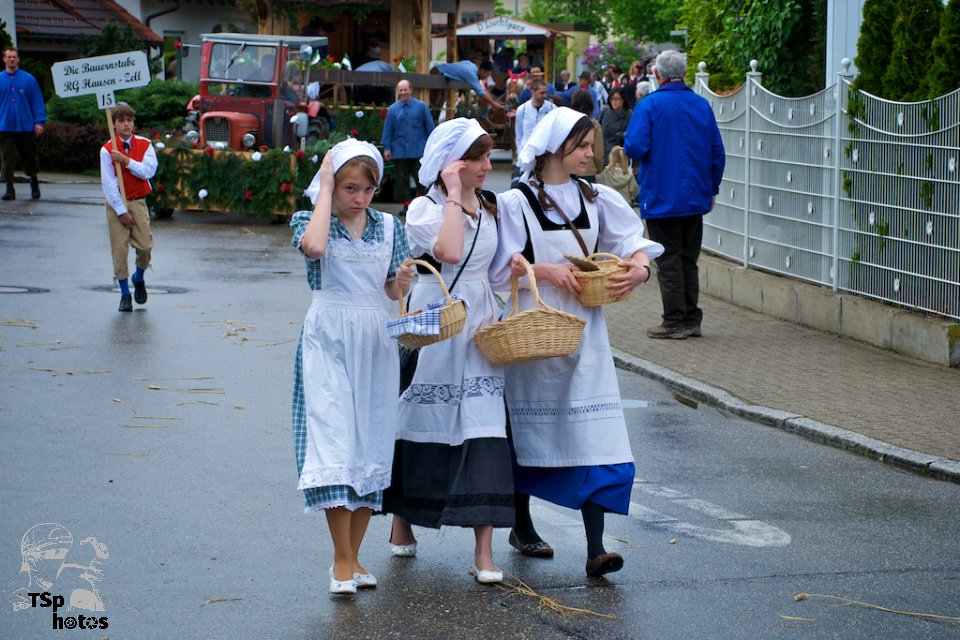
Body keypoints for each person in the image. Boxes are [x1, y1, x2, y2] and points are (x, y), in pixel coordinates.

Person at [491, 106, 663, 578]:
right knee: (525, 431)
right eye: (581, 146)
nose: (591, 154)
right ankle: (521, 524)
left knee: (595, 433)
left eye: (591, 146)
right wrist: (544, 271)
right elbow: (497, 268)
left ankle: (596, 548)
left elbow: (632, 241)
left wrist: (640, 269)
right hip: (535, 328)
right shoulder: (517, 202)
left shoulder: (596, 196)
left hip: (585, 330)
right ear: (554, 147)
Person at [384, 118, 513, 585]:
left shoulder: (492, 206)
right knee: (422, 422)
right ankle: (402, 520)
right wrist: (455, 194)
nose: (487, 166)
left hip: (479, 325)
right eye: (477, 159)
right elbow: (451, 253)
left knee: (485, 426)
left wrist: (518, 269)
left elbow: (493, 272)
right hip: (437, 321)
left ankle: (484, 551)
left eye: (487, 156)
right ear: (451, 165)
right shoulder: (424, 208)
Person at [291, 139, 415, 596]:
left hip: (374, 340)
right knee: (335, 442)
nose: (360, 198)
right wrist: (324, 188)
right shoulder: (309, 219)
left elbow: (390, 289)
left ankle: (354, 556)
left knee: (370, 443)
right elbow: (314, 247)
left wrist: (402, 282)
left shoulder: (390, 226)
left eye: (367, 189)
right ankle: (341, 559)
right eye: (350, 188)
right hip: (328, 337)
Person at [624, 49, 725, 340]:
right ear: (685, 73)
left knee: (667, 260)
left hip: (661, 195)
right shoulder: (701, 104)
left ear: (657, 74)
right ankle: (691, 318)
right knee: (688, 259)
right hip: (695, 195)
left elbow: (635, 147)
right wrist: (712, 188)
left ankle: (674, 321)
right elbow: (717, 152)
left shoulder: (649, 105)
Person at [99, 103, 158, 313]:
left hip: (138, 200)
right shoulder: (107, 150)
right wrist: (121, 211)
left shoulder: (145, 144)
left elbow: (148, 171)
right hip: (117, 204)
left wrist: (126, 161)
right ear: (114, 124)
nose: (126, 124)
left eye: (129, 120)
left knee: (145, 246)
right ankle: (125, 294)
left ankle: (138, 276)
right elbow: (108, 184)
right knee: (120, 248)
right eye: (121, 121)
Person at [1, 47, 46, 201]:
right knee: (7, 158)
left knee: (30, 156)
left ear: (18, 59)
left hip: (26, 126)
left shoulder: (29, 79)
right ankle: (9, 187)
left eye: (14, 57)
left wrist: (39, 121)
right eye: (9, 57)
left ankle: (34, 182)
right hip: (5, 126)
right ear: (4, 59)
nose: (11, 59)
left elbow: (37, 101)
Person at [381, 79, 435, 206]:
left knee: (421, 178)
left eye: (405, 89)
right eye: (401, 90)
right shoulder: (393, 109)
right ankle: (406, 205)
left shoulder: (421, 107)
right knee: (402, 180)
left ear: (411, 90)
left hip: (419, 150)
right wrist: (387, 148)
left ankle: (424, 204)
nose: (403, 92)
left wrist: (432, 147)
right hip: (399, 150)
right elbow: (388, 129)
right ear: (397, 91)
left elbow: (430, 128)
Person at [513, 78, 556, 187]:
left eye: (546, 92)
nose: (544, 95)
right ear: (533, 91)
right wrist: (520, 153)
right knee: (525, 187)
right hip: (527, 156)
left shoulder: (552, 109)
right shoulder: (522, 110)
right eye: (541, 93)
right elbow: (519, 135)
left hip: (546, 157)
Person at [433, 60, 504, 113]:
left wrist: (496, 101)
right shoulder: (471, 74)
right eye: (487, 75)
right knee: (434, 105)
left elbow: (482, 90)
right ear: (482, 70)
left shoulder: (473, 67)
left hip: (443, 76)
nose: (486, 77)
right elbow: (481, 92)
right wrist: (493, 104)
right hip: (437, 73)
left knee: (439, 106)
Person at [569, 90, 603, 183]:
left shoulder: (568, 123)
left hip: (569, 168)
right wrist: (598, 168)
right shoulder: (594, 124)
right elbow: (598, 152)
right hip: (588, 169)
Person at [599, 88, 631, 164]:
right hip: (604, 153)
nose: (614, 101)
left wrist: (621, 135)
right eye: (612, 99)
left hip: (620, 154)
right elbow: (598, 129)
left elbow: (632, 135)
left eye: (617, 99)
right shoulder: (605, 111)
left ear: (623, 100)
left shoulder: (629, 115)